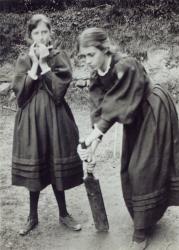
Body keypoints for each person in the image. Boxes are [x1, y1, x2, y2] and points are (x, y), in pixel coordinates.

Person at [77, 27, 179, 250]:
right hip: (133, 117)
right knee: (129, 168)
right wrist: (90, 147)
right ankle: (147, 218)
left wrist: (95, 135)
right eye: (83, 56)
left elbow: (118, 105)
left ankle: (141, 234)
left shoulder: (126, 65)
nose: (87, 60)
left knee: (142, 169)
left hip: (153, 110)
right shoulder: (97, 77)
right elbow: (100, 114)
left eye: (91, 54)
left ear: (104, 49)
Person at [12, 14, 83, 236]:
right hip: (31, 122)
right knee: (36, 164)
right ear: (29, 35)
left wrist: (44, 63)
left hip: (56, 119)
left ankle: (64, 213)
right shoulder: (23, 60)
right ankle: (32, 216)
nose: (41, 37)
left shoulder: (59, 57)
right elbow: (21, 97)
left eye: (44, 32)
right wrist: (33, 64)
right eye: (36, 33)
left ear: (50, 32)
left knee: (55, 163)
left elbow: (59, 92)